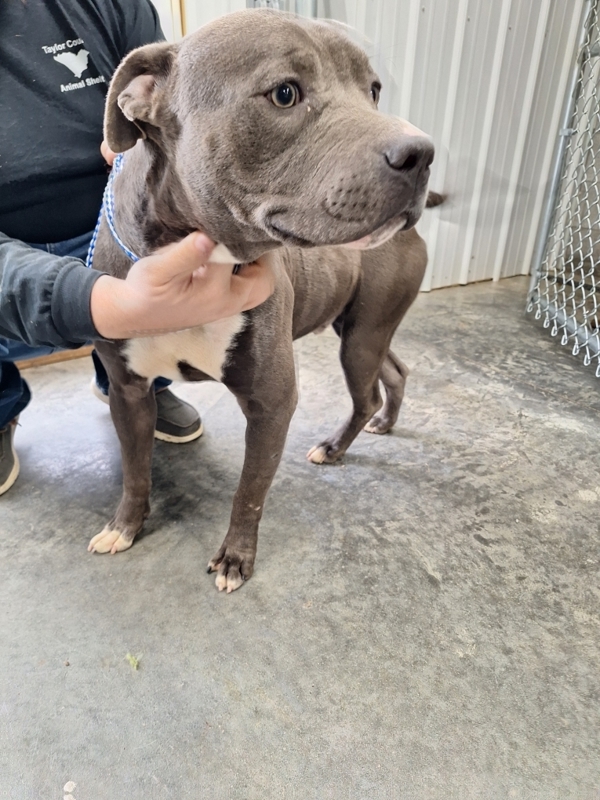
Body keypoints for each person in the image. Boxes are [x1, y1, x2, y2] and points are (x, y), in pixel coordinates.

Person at [0, 0, 274, 495]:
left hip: (120, 221)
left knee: (153, 326)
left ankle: (136, 378)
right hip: (9, 250)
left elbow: (168, 96)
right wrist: (95, 302)